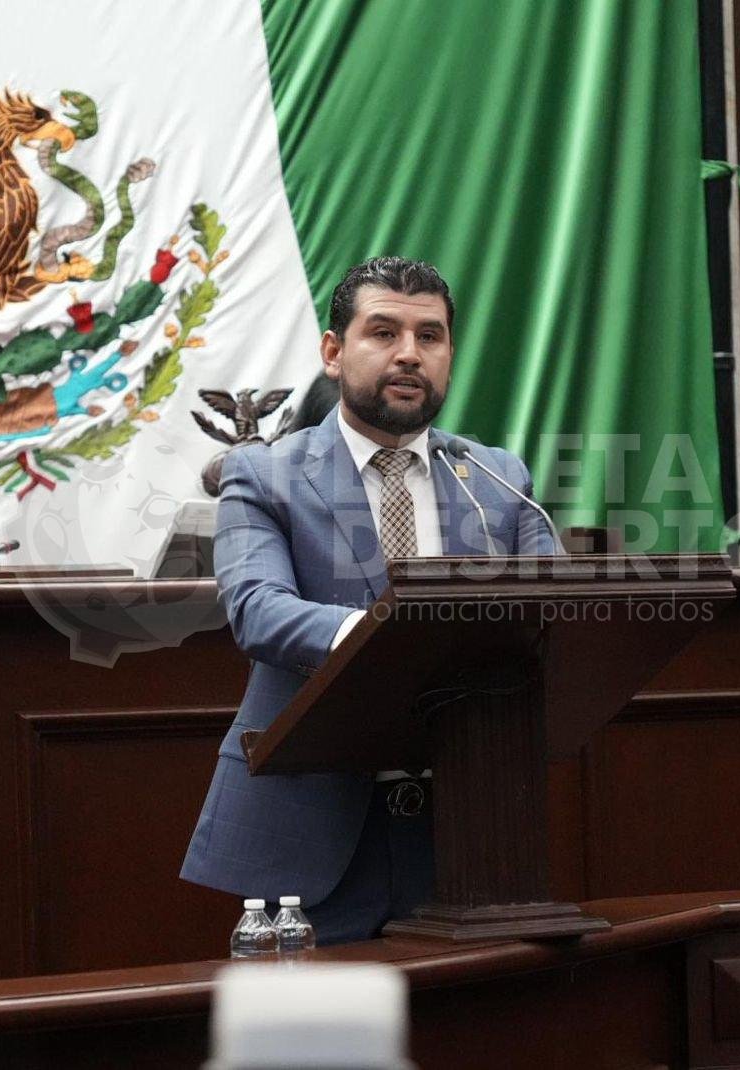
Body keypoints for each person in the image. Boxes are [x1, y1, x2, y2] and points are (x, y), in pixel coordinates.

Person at [180, 256, 556, 944]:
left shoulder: (497, 479)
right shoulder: (264, 474)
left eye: (429, 336)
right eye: (383, 332)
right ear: (333, 352)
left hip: (469, 823)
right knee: (321, 1014)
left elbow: (556, 612)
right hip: (310, 825)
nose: (409, 353)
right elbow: (259, 610)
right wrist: (393, 636)